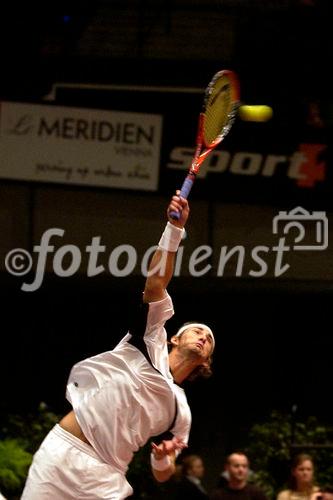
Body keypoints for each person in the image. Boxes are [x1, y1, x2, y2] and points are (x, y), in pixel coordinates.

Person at [21, 192, 215, 499]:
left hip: (106, 478)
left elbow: (163, 474)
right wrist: (174, 230)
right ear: (175, 338)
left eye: (209, 339)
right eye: (197, 330)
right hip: (62, 455)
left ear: (205, 362)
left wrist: (163, 457)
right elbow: (155, 282)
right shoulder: (149, 339)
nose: (203, 335)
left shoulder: (181, 412)